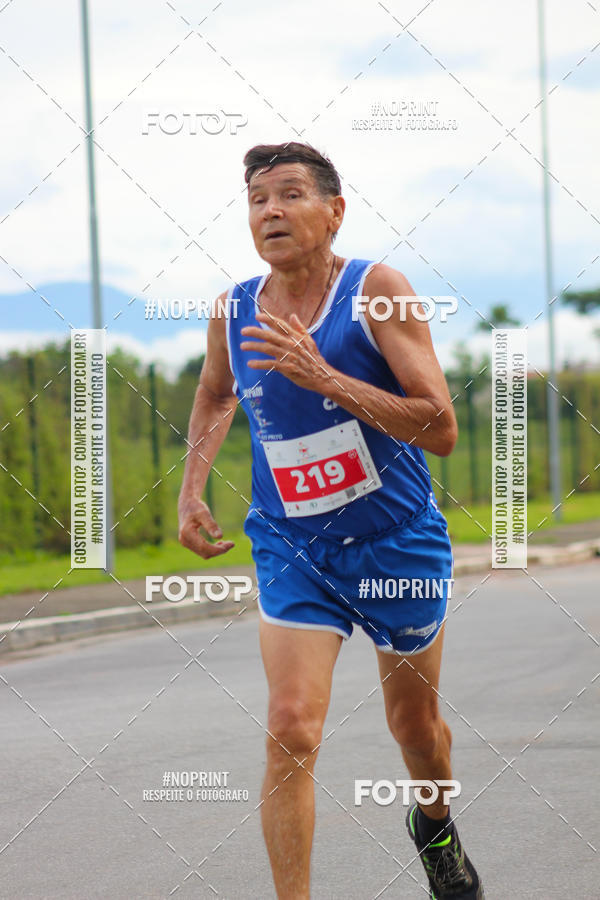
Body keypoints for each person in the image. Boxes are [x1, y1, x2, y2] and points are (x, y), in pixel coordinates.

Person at [178, 141, 484, 899]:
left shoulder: (379, 291)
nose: (270, 211)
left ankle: (434, 822)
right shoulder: (235, 308)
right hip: (293, 543)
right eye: (256, 199)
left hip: (396, 543)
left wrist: (324, 376)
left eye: (289, 195)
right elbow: (218, 394)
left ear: (334, 210)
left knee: (417, 731)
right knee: (291, 725)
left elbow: (439, 428)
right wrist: (191, 488)